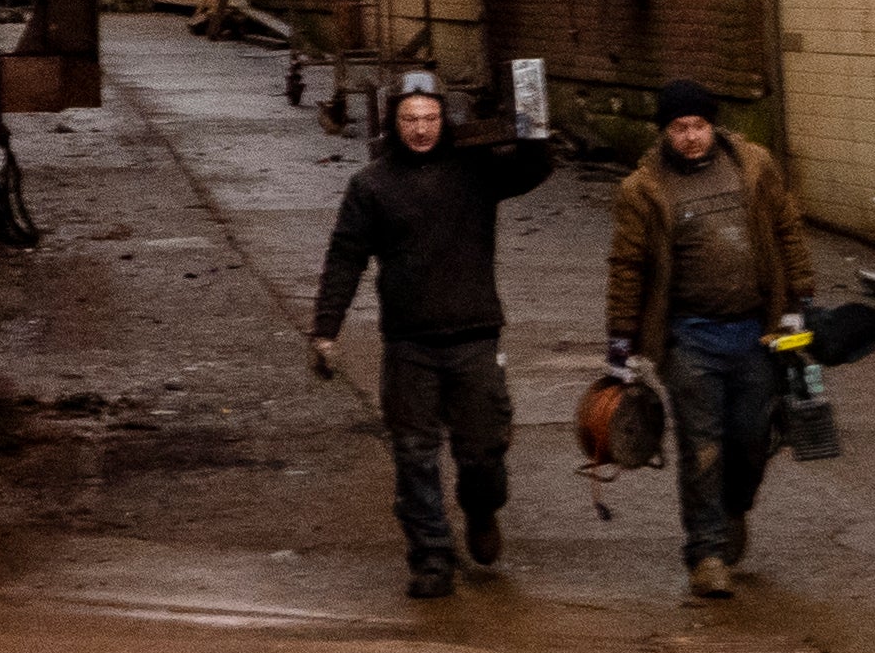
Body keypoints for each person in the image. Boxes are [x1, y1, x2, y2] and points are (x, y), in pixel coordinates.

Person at [310, 72, 555, 599]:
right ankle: (431, 556)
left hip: (474, 337)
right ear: (393, 123)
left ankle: (482, 509)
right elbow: (345, 257)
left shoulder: (475, 171)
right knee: (414, 454)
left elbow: (535, 168)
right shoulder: (371, 186)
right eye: (409, 120)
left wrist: (533, 112)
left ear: (446, 119)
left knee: (484, 452)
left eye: (430, 118)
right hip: (408, 344)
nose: (420, 129)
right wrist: (325, 329)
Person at [604, 78, 818, 600]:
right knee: (701, 446)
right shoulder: (644, 189)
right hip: (688, 339)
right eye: (679, 128)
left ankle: (734, 508)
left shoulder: (753, 167)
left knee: (749, 440)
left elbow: (787, 228)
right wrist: (621, 342)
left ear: (713, 125)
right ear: (665, 132)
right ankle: (706, 553)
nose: (691, 136)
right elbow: (627, 265)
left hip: (756, 333)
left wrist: (800, 302)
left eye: (698, 125)